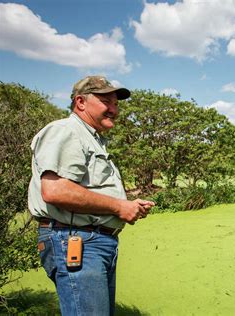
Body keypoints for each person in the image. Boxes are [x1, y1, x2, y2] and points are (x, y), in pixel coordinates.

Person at [28, 75, 155, 315]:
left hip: (91, 242)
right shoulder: (65, 131)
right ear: (81, 102)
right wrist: (118, 207)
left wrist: (126, 204)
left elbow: (87, 188)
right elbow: (55, 190)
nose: (114, 109)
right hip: (75, 241)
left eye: (116, 104)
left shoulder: (92, 138)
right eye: (106, 102)